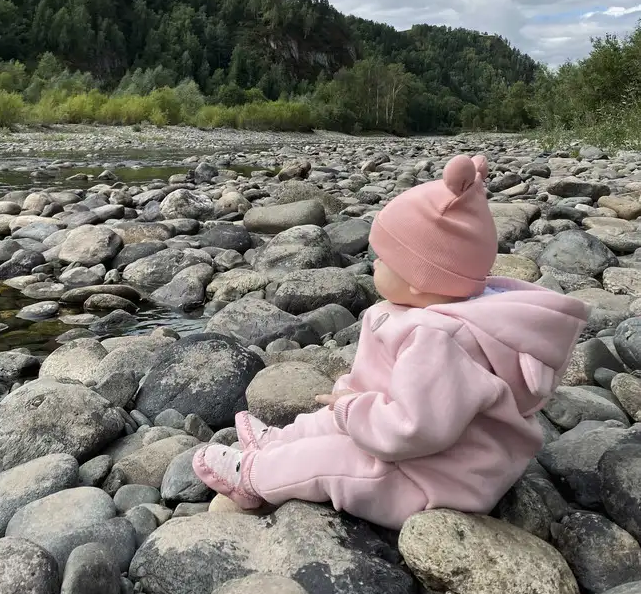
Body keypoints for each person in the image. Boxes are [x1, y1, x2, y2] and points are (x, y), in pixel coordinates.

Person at [192, 154, 588, 529]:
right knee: (332, 417)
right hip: (401, 437)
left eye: (383, 258)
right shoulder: (426, 308)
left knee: (332, 460)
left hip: (436, 475)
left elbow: (416, 427)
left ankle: (254, 477)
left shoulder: (440, 339)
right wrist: (353, 406)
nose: (374, 262)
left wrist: (355, 412)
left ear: (421, 276)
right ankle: (277, 441)